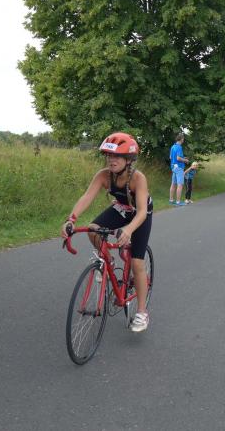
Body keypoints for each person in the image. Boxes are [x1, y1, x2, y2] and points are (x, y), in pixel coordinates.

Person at [62, 132, 153, 332]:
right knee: (93, 230)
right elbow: (87, 197)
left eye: (117, 156)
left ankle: (142, 312)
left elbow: (141, 213)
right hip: (121, 208)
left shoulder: (138, 178)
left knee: (137, 262)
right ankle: (108, 262)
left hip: (140, 214)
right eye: (109, 155)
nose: (111, 160)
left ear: (128, 160)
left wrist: (128, 230)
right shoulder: (104, 175)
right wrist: (71, 219)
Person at [168, 133, 189, 206]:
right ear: (181, 139)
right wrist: (185, 160)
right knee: (180, 185)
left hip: (173, 167)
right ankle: (178, 202)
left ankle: (171, 200)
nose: (183, 140)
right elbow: (178, 158)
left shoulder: (173, 146)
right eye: (183, 139)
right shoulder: (179, 147)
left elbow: (171, 157)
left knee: (173, 184)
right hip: (179, 168)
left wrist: (183, 158)